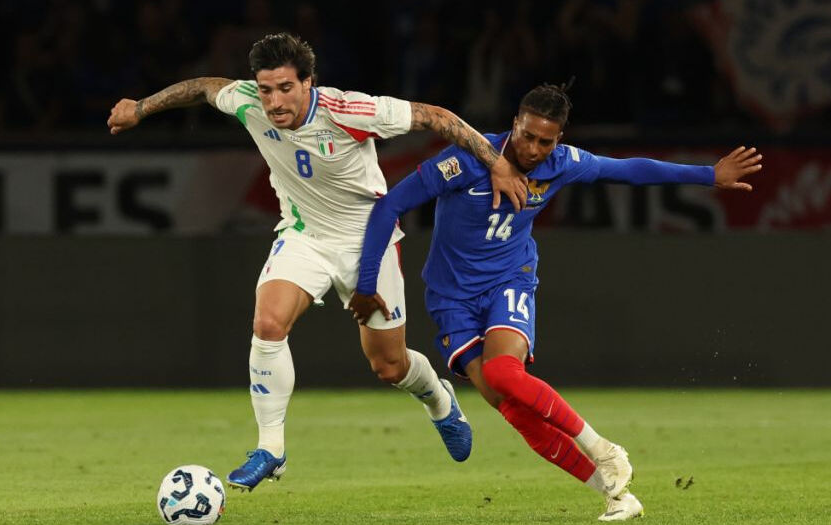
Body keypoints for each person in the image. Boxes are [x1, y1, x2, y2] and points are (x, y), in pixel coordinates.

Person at [107, 33, 529, 491]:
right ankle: (270, 449)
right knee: (268, 323)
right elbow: (206, 88)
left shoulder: (349, 110)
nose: (274, 102)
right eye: (266, 89)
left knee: (389, 366)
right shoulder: (247, 102)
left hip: (369, 242)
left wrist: (497, 163)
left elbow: (436, 116)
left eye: (285, 88)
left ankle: (438, 401)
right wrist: (141, 108)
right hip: (303, 236)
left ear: (308, 82)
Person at [349, 82, 762, 521]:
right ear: (515, 124)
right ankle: (616, 495)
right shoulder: (466, 160)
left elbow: (629, 170)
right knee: (513, 410)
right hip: (452, 298)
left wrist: (708, 176)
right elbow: (391, 205)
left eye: (545, 141)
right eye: (527, 136)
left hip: (509, 281)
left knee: (504, 373)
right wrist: (367, 282)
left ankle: (605, 450)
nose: (533, 149)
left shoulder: (562, 164)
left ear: (558, 140)